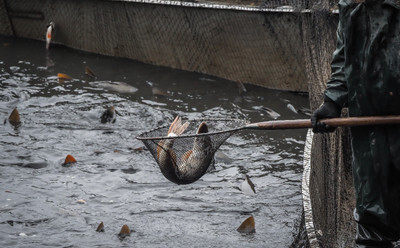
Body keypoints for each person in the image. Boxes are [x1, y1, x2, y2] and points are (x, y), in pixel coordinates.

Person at [311, 0, 400, 247]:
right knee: (374, 213)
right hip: (369, 126)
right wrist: (332, 101)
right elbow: (344, 56)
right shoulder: (352, 7)